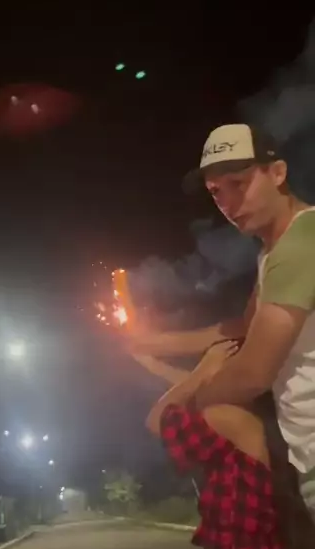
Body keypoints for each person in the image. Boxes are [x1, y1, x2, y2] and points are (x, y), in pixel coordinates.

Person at [127, 123, 315, 517]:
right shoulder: (275, 252)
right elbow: (241, 328)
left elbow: (252, 373)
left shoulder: (303, 242)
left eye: (238, 183)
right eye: (216, 192)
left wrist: (186, 407)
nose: (228, 202)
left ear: (278, 173)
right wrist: (154, 343)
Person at [142, 339, 315, 549]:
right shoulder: (258, 423)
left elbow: (157, 420)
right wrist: (156, 365)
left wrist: (202, 370)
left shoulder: (231, 420)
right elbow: (197, 395)